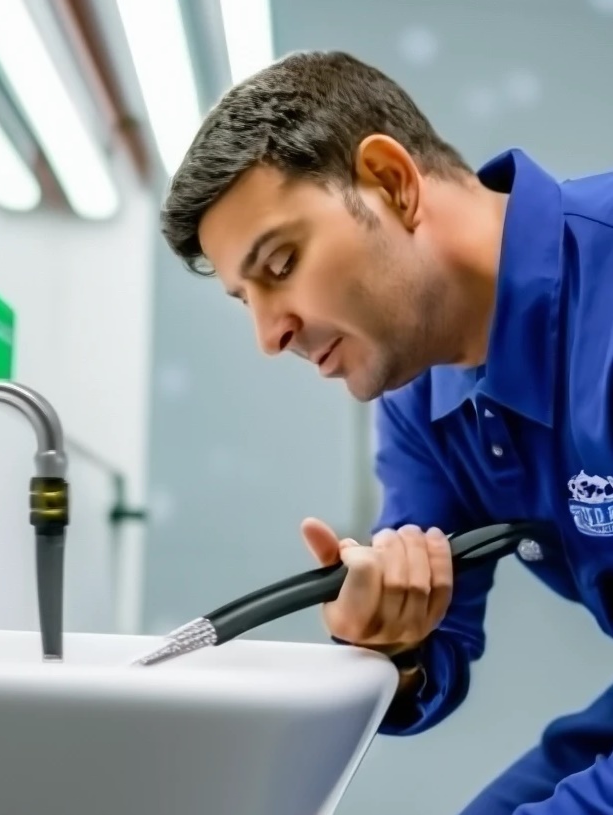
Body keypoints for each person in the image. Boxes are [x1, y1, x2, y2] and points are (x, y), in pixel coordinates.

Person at [158, 50, 613, 814]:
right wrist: (389, 643)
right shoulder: (418, 399)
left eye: (280, 262)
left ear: (393, 183)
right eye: (245, 299)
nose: (269, 334)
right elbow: (433, 648)